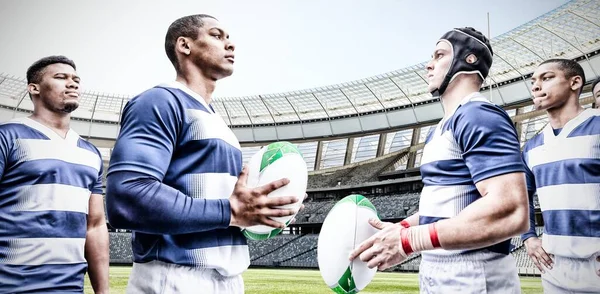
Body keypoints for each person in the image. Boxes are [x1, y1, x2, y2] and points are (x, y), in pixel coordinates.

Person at [106, 14, 298, 294]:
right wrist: (230, 211)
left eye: (229, 38)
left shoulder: (219, 123)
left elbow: (230, 212)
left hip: (228, 279)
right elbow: (127, 197)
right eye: (217, 35)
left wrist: (268, 209)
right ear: (184, 45)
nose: (230, 45)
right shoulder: (159, 101)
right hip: (174, 277)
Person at [349, 27, 529, 293]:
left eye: (439, 54)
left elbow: (511, 211)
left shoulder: (479, 115)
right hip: (438, 268)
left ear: (468, 59)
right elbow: (451, 206)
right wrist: (402, 228)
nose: (428, 65)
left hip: (475, 274)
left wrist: (409, 241)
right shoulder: (441, 127)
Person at [0, 56, 109, 293]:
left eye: (75, 79)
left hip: (70, 287)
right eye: (61, 77)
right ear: (34, 87)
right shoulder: (8, 136)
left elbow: (95, 225)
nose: (72, 83)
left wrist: (102, 291)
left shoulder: (90, 153)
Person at [521, 59, 600, 293]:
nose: (536, 86)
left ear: (575, 82)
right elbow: (521, 198)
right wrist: (528, 237)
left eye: (546, 78)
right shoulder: (531, 146)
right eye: (533, 81)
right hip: (553, 267)